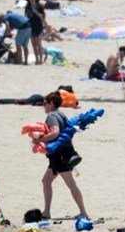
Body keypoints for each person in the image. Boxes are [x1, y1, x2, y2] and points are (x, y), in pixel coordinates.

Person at [35, 91, 88, 220]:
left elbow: (55, 133)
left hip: (59, 156)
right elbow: (67, 134)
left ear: (51, 103)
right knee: (46, 181)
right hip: (62, 154)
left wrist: (39, 140)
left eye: (45, 103)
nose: (44, 106)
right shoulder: (62, 114)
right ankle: (47, 212)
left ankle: (83, 213)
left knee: (70, 184)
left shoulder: (52, 116)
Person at [24, 0, 46, 65]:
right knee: (33, 44)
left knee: (39, 44)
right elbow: (25, 16)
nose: (32, 0)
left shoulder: (40, 7)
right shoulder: (27, 7)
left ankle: (41, 60)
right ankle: (37, 59)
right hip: (31, 26)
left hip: (38, 26)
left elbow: (42, 17)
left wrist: (35, 11)